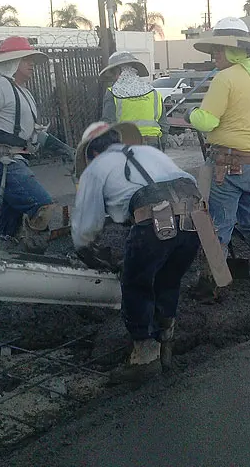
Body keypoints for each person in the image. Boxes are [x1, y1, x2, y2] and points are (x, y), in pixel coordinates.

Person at [71, 121, 204, 382]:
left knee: (135, 284)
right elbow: (186, 182)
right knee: (168, 278)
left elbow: (85, 229)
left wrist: (92, 254)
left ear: (92, 154)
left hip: (154, 219)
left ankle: (144, 354)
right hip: (194, 216)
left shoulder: (95, 169)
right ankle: (166, 338)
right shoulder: (150, 152)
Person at [187, 17, 250, 299]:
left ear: (232, 50)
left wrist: (191, 113)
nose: (214, 55)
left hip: (226, 167)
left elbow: (206, 121)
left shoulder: (225, 79)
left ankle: (212, 285)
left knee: (218, 225)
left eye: (218, 50)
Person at [0, 36, 75, 254]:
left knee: (10, 216)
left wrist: (64, 150)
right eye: (26, 59)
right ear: (12, 62)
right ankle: (34, 250)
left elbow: (32, 133)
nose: (31, 64)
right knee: (41, 205)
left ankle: (8, 252)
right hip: (2, 160)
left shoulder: (24, 92)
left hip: (14, 159)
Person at [100, 51, 169, 150]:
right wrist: (161, 146)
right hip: (152, 143)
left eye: (114, 74)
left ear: (119, 72)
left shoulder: (113, 92)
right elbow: (164, 125)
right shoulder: (153, 93)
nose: (114, 78)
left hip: (126, 143)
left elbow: (108, 123)